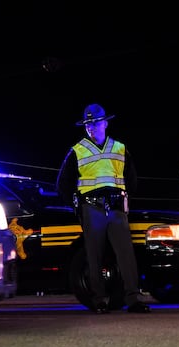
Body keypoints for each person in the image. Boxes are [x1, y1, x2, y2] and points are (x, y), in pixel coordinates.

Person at [56, 103, 151, 314]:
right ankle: (99, 300)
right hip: (92, 209)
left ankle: (134, 299)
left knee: (126, 254)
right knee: (94, 256)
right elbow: (63, 184)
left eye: (96, 123)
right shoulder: (77, 151)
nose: (92, 127)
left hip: (116, 207)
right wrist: (77, 205)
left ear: (106, 123)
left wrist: (126, 197)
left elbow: (132, 178)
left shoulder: (120, 148)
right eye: (88, 124)